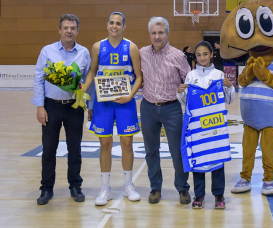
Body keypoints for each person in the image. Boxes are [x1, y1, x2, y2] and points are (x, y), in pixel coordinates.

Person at [83, 12, 143, 206]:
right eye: (111, 23)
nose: (114, 26)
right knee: (105, 145)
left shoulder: (132, 47)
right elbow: (92, 72)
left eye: (118, 23)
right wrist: (83, 91)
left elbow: (139, 76)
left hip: (126, 102)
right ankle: (105, 188)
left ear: (124, 26)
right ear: (107, 25)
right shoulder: (97, 47)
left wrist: (131, 95)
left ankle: (128, 185)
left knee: (126, 143)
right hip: (103, 102)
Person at [31, 14, 91, 205]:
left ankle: (75, 186)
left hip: (74, 108)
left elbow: (88, 80)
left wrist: (89, 106)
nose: (69, 31)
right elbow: (38, 79)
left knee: (75, 149)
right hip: (51, 107)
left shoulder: (84, 53)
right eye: (65, 27)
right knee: (49, 150)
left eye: (72, 28)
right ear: (59, 30)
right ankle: (46, 188)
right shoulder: (47, 51)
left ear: (77, 31)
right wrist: (40, 106)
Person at [177, 41, 235, 209]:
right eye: (198, 55)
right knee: (199, 160)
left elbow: (229, 100)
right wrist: (180, 92)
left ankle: (219, 195)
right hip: (197, 126)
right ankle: (199, 196)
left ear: (211, 54)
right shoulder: (190, 76)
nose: (202, 58)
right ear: (195, 57)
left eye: (205, 54)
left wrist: (230, 87)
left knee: (217, 159)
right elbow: (186, 101)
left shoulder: (219, 75)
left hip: (215, 126)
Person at [139, 17, 191, 204]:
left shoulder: (178, 56)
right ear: (150, 34)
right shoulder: (141, 53)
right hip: (148, 107)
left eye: (161, 32)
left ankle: (183, 188)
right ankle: (155, 188)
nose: (157, 36)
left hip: (172, 108)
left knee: (177, 151)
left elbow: (189, 81)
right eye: (153, 33)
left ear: (167, 34)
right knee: (151, 151)